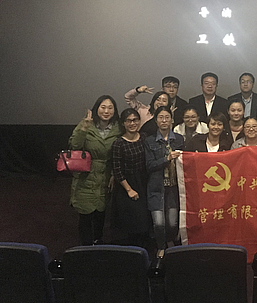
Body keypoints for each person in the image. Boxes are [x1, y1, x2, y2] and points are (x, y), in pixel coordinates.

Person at [69, 95, 121, 246]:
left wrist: (114, 174)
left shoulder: (118, 128)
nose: (106, 111)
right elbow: (74, 146)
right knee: (85, 213)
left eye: (110, 108)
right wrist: (83, 128)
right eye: (103, 107)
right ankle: (85, 246)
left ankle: (98, 242)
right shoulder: (86, 124)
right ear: (96, 108)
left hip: (106, 176)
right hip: (86, 175)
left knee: (101, 213)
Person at [145, 106, 185, 258]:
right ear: (156, 121)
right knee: (158, 222)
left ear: (172, 120)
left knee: (172, 223)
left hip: (174, 188)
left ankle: (169, 243)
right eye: (161, 117)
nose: (164, 121)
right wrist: (167, 159)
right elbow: (149, 165)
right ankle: (161, 246)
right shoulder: (149, 141)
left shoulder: (179, 139)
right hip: (157, 187)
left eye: (167, 117)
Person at [111, 108, 150, 247]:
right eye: (128, 121)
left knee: (146, 221)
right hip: (127, 185)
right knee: (133, 222)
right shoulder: (119, 143)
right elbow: (117, 169)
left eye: (135, 120)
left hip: (144, 182)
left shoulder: (144, 137)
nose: (132, 123)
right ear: (123, 123)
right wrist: (129, 190)